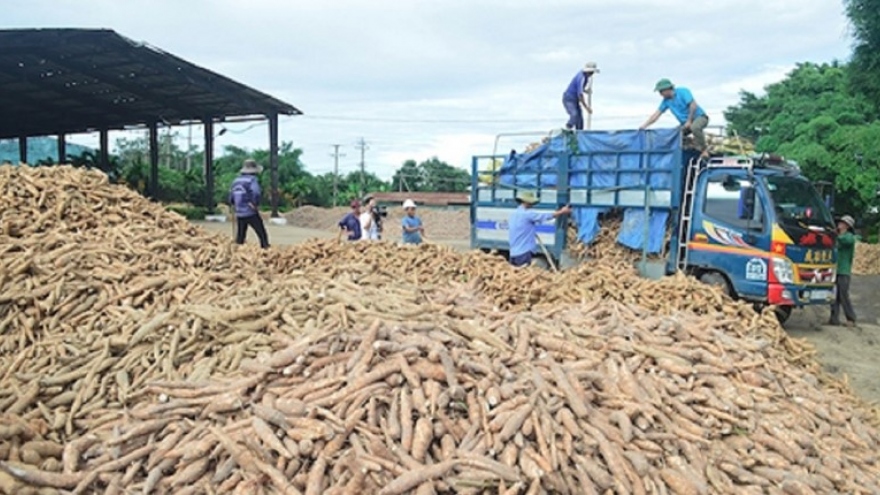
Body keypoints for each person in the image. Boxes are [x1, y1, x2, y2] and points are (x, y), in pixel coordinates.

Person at [640, 79, 710, 158]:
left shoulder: (683, 91)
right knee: (674, 134)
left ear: (667, 89)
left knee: (695, 127)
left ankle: (704, 150)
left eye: (661, 91)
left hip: (699, 117)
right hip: (685, 123)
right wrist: (644, 126)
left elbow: (693, 105)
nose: (660, 94)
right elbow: (656, 115)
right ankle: (688, 147)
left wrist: (689, 121)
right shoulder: (666, 102)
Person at [508, 191, 572, 267]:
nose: (532, 205)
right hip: (524, 252)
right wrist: (562, 211)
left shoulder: (514, 213)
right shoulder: (527, 214)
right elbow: (545, 216)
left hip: (513, 252)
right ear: (526, 202)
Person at [228, 159, 269, 249]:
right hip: (250, 210)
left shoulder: (236, 181)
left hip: (239, 211)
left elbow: (231, 195)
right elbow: (256, 192)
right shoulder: (252, 180)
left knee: (241, 234)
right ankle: (265, 248)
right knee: (261, 232)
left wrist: (233, 204)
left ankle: (238, 250)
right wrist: (254, 203)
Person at [830, 215, 858, 327]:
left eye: (842, 223)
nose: (839, 224)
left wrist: (835, 233)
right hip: (836, 269)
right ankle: (834, 318)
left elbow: (843, 240)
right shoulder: (839, 237)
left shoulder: (849, 237)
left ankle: (851, 318)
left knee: (843, 295)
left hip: (844, 270)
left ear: (847, 226)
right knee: (834, 295)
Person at [562, 62, 599, 131]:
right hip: (569, 99)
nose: (592, 74)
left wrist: (586, 91)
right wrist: (587, 108)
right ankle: (567, 128)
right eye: (591, 72)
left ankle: (579, 134)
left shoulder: (586, 77)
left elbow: (579, 88)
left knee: (580, 121)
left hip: (575, 100)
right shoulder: (581, 78)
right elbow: (580, 95)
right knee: (574, 115)